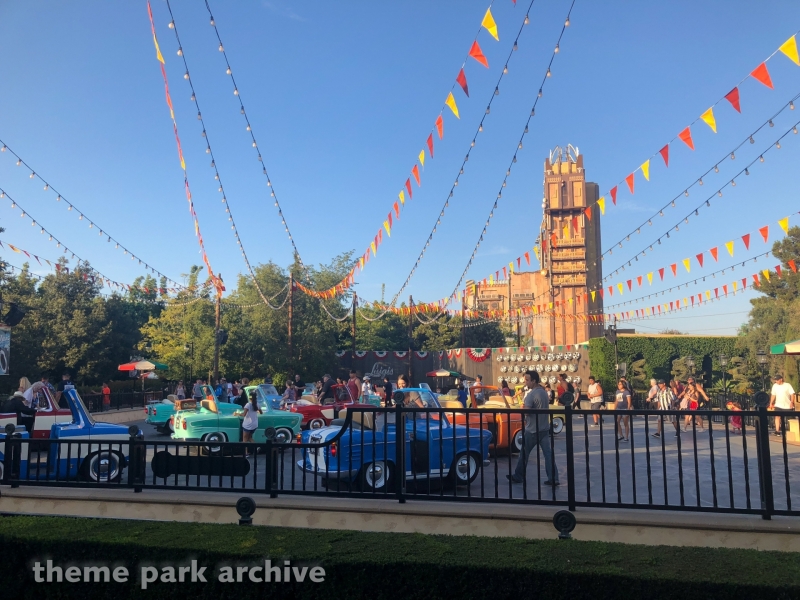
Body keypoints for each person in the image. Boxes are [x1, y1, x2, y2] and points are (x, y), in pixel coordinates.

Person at [508, 370, 559, 486]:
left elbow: (526, 412)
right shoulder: (543, 392)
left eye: (527, 380)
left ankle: (518, 476)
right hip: (544, 428)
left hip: (532, 429)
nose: (525, 382)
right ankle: (553, 478)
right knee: (548, 455)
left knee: (524, 454)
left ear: (534, 381)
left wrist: (522, 408)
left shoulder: (531, 395)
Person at [235, 389, 262, 458]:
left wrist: (237, 414)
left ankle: (246, 453)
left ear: (249, 398)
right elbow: (261, 412)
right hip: (255, 424)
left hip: (247, 424)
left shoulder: (248, 405)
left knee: (244, 439)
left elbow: (243, 414)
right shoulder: (257, 404)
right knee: (249, 437)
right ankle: (257, 447)